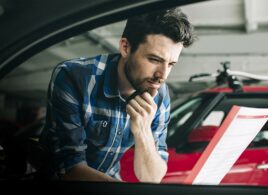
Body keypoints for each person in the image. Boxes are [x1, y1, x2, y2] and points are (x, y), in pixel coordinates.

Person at [40, 7, 194, 183]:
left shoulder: (159, 93)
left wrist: (143, 130)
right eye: (154, 60)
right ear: (125, 47)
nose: (163, 75)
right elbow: (69, 169)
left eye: (171, 64)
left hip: (111, 181)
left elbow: (152, 178)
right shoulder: (73, 76)